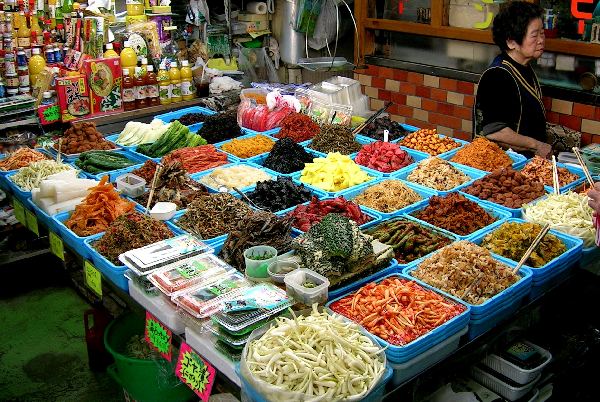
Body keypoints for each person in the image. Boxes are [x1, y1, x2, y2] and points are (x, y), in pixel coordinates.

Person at [474, 1, 552, 159]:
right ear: (511, 42)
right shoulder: (498, 76)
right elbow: (496, 132)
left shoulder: (524, 66)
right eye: (534, 35)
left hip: (526, 163)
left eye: (542, 33)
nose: (541, 40)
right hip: (504, 167)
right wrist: (537, 146)